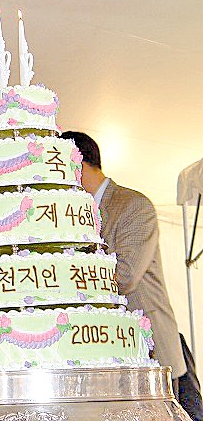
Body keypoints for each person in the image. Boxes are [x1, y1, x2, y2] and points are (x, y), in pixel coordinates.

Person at [60, 131, 186, 389]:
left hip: (148, 346)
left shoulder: (133, 205)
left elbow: (125, 276)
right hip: (102, 352)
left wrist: (64, 281)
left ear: (77, 164)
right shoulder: (70, 215)